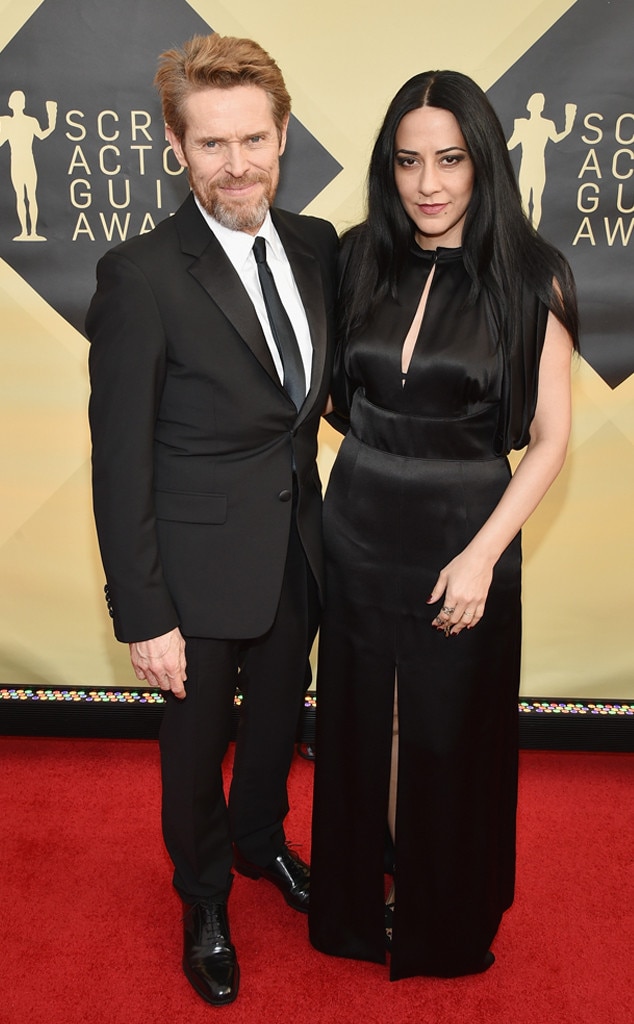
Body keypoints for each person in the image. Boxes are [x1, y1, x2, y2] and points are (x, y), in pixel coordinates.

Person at [309, 70, 578, 982]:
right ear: (389, 167)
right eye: (409, 160)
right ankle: (366, 897)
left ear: (483, 164)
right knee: (361, 721)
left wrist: (481, 557)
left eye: (451, 160)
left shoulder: (533, 277)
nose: (428, 182)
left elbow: (549, 441)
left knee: (441, 729)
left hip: (468, 527)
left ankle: (439, 910)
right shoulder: (354, 258)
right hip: (356, 524)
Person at [87, 34, 337, 1006]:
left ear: (283, 136)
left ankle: (260, 839)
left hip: (295, 553)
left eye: (254, 140)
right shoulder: (140, 275)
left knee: (278, 719)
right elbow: (120, 458)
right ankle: (202, 898)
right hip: (190, 573)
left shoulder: (316, 245)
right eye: (212, 145)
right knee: (196, 748)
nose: (236, 165)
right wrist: (142, 610)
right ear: (175, 148)